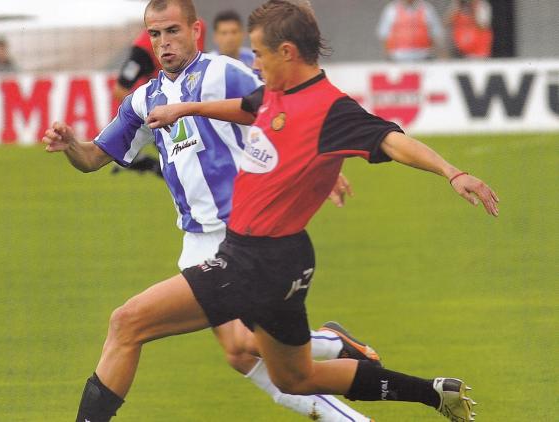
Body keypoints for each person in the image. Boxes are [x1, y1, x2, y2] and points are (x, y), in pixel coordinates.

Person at [65, 0, 502, 420]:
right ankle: (430, 392)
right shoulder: (275, 94)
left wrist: (451, 171)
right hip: (285, 258)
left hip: (251, 258)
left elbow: (390, 139)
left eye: (259, 54)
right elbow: (245, 110)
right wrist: (190, 107)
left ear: (287, 53)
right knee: (295, 375)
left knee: (128, 323)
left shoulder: (328, 107)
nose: (253, 65)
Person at [44, 1, 378, 421]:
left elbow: (291, 103)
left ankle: (333, 355)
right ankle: (334, 351)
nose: (163, 43)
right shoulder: (143, 100)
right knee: (240, 351)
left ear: (195, 30)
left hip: (242, 235)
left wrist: (324, 167)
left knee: (195, 335)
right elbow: (94, 158)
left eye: (172, 31)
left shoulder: (223, 73)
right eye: (155, 35)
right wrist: (72, 145)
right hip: (196, 241)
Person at [109, 23, 205, 178]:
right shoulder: (143, 49)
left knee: (195, 174)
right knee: (188, 174)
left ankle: (146, 163)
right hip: (170, 118)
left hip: (196, 112)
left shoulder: (197, 27)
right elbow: (120, 89)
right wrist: (154, 113)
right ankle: (147, 163)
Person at [377, 0, 445, 61]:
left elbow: (436, 33)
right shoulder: (391, 9)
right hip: (398, 57)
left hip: (423, 56)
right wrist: (387, 56)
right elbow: (383, 34)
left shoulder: (427, 8)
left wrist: (441, 54)